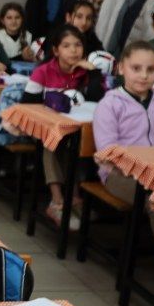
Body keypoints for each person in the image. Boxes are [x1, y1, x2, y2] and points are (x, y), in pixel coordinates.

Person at [92, 41, 154, 267]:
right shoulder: (110, 104)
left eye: (151, 69)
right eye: (136, 68)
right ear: (121, 68)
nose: (144, 75)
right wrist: (145, 170)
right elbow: (108, 152)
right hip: (118, 175)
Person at [29, 25, 106, 223]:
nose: (73, 50)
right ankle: (57, 200)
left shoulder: (85, 72)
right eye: (66, 46)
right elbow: (27, 105)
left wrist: (94, 73)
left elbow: (98, 101)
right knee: (52, 142)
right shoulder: (43, 71)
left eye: (78, 45)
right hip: (41, 128)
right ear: (56, 50)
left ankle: (74, 197)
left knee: (76, 146)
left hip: (74, 130)